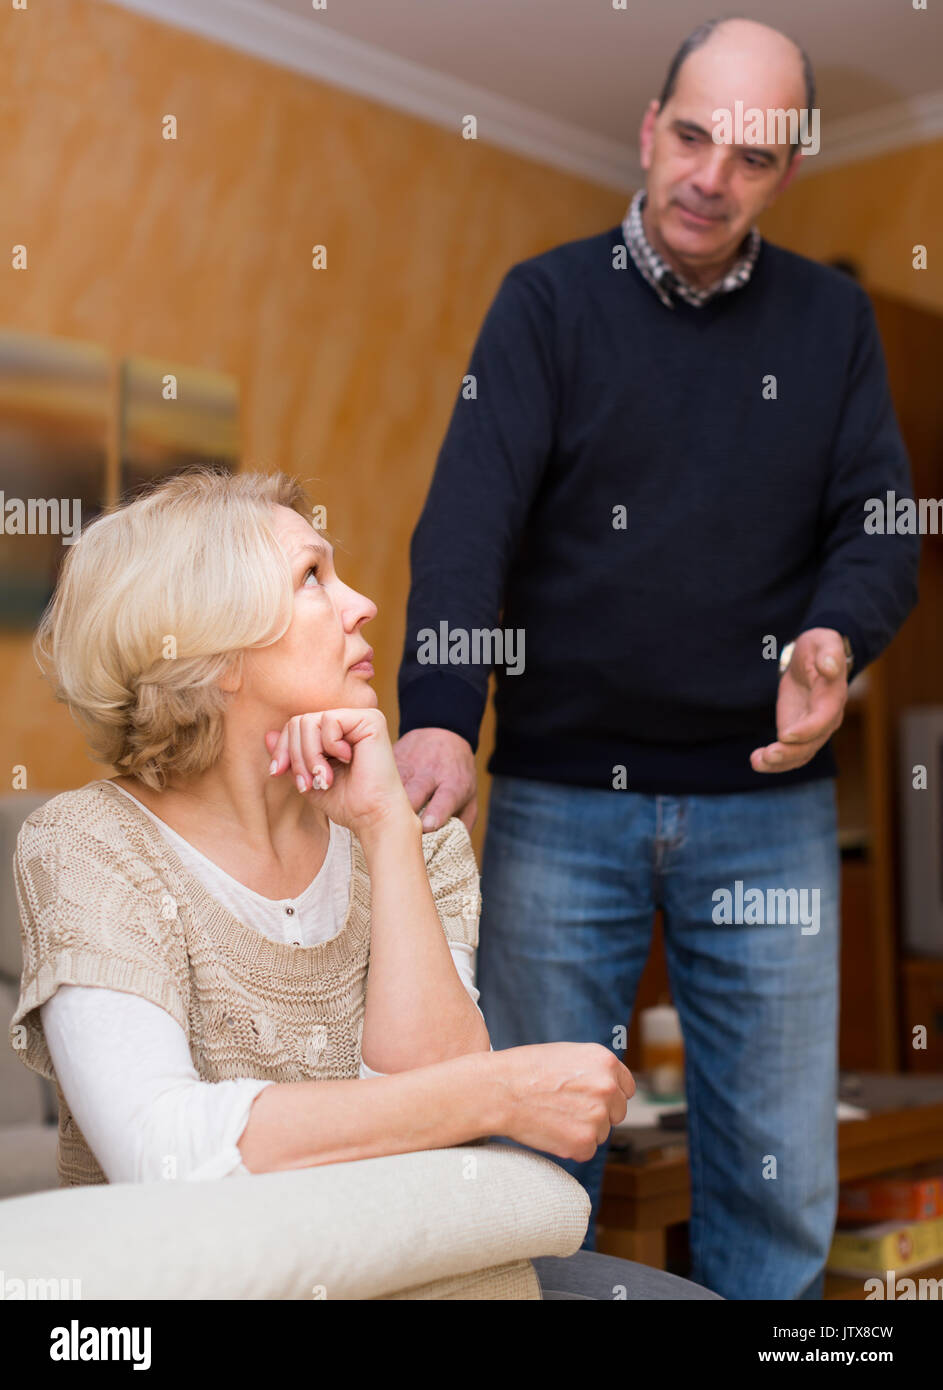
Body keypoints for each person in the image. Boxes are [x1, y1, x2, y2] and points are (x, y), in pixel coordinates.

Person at [393, 17, 921, 1299]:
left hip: (767, 803)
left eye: (751, 157)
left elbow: (879, 524)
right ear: (647, 128)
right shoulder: (546, 303)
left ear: (787, 170)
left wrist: (834, 633)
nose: (709, 178)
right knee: (528, 1163)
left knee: (776, 1176)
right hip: (562, 793)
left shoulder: (832, 320)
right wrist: (441, 711)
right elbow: (469, 523)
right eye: (691, 137)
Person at [8, 466, 719, 1301]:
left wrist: (386, 832)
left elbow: (437, 1139)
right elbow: (164, 1152)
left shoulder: (417, 835)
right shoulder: (89, 844)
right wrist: (496, 1090)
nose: (364, 605)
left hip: (424, 1277)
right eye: (312, 577)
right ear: (213, 649)